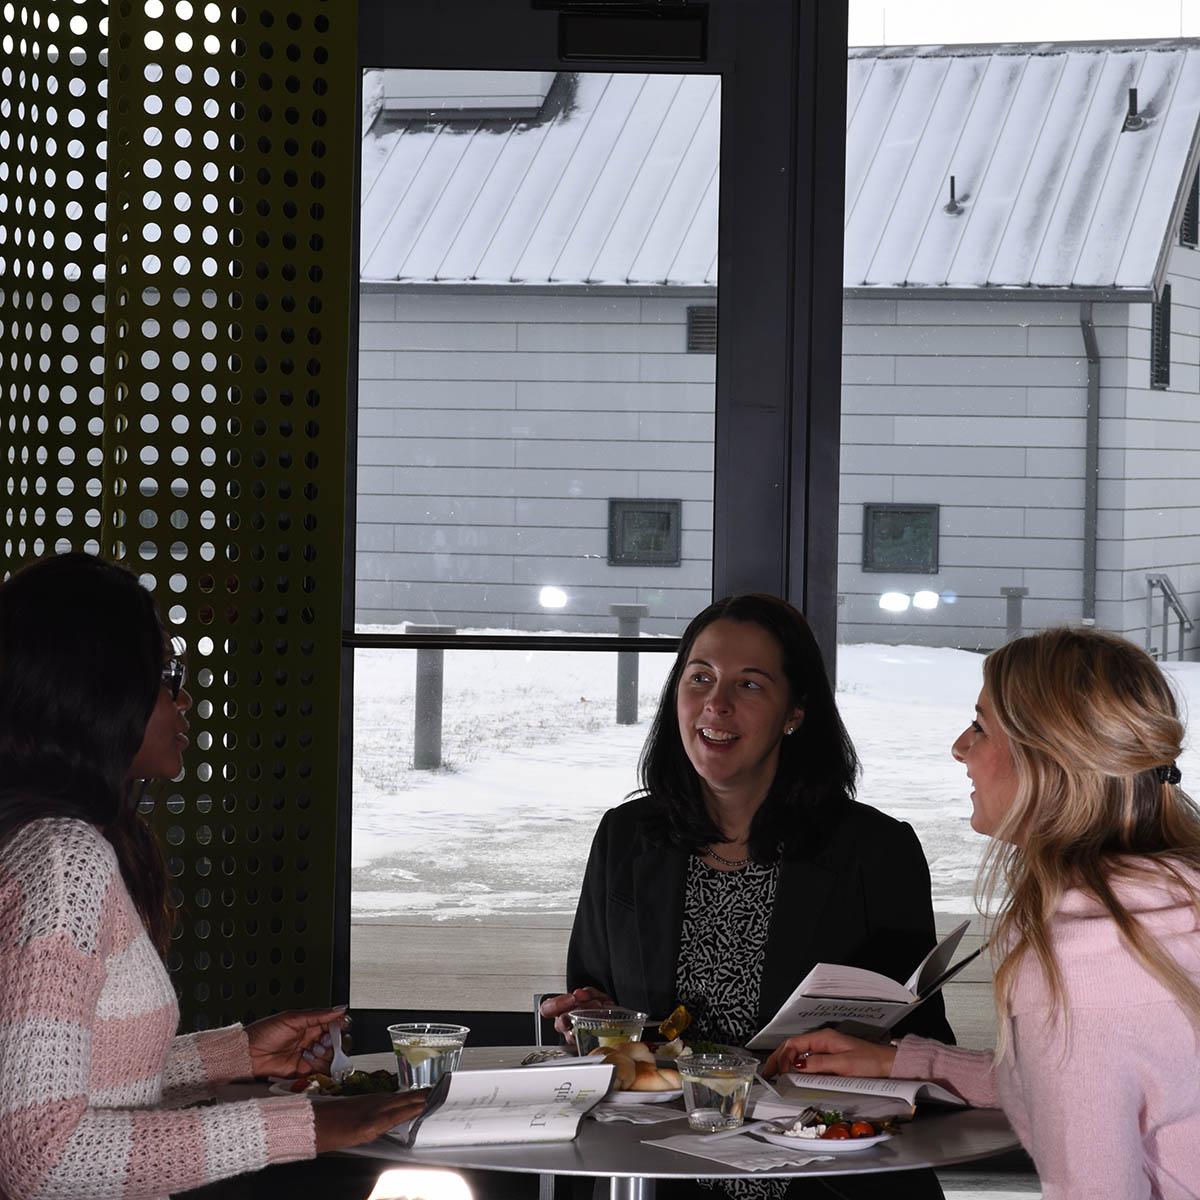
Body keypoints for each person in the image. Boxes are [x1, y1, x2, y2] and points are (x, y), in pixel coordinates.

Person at [0, 554, 425, 1200]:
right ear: (99, 686)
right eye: (168, 676)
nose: (184, 698)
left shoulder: (40, 841)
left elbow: (78, 1077)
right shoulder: (64, 858)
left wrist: (237, 1056)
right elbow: (39, 1154)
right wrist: (304, 1125)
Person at [765, 626, 1200, 1200]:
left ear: (1048, 759)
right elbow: (1081, 1085)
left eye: (980, 726)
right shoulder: (1169, 903)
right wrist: (901, 1062)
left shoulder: (1085, 951)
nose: (959, 747)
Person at [541, 594, 952, 1199]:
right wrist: (586, 1017)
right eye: (700, 677)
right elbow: (601, 1008)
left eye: (751, 684)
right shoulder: (627, 837)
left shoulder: (875, 850)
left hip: (827, 1176)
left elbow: (923, 1049)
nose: (716, 703)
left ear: (796, 710)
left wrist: (868, 1048)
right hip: (658, 1173)